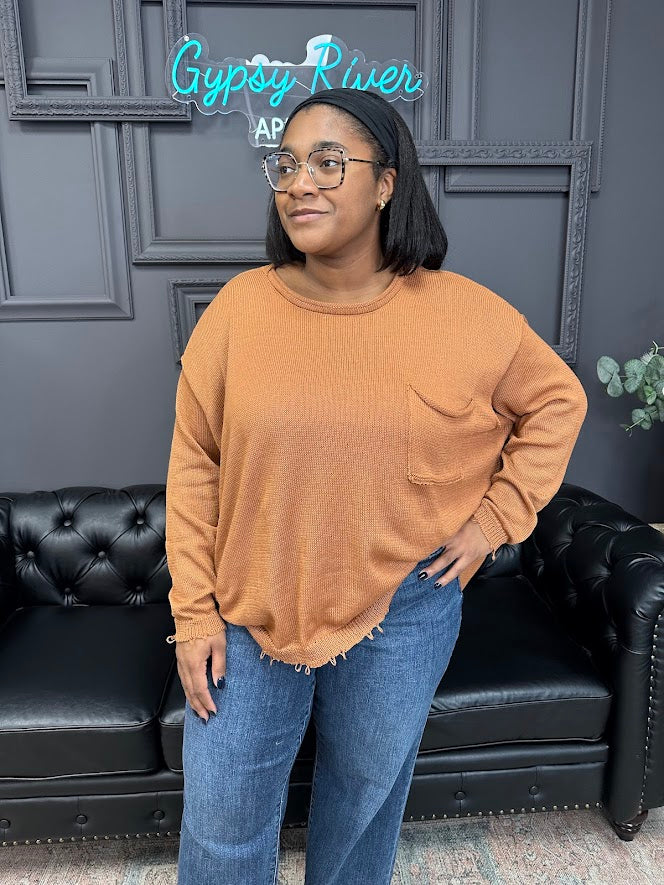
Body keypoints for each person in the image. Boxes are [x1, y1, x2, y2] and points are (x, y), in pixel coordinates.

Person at [165, 87, 588, 884]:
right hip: (250, 605)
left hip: (406, 606)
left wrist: (495, 518)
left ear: (386, 183)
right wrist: (193, 615)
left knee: (362, 806)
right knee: (222, 820)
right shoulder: (238, 309)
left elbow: (559, 400)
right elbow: (195, 464)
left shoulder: (462, 313)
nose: (300, 182)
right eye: (285, 164)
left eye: (329, 162)